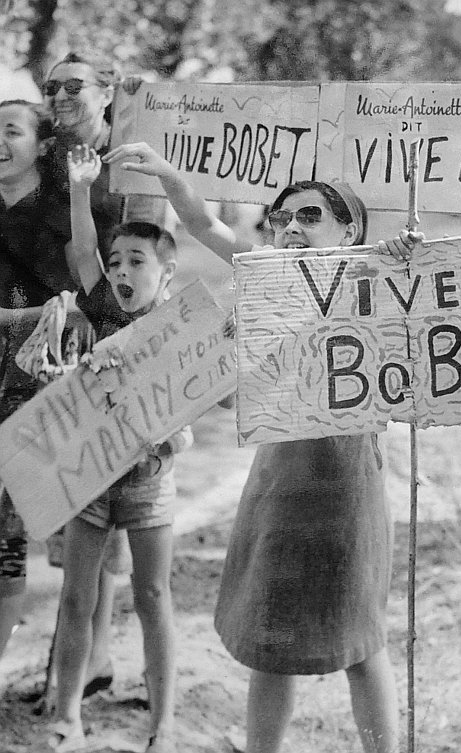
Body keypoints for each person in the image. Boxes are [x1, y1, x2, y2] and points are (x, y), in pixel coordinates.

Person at [104, 140, 403, 753]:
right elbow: (201, 223)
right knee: (269, 635)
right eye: (284, 218)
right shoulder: (264, 271)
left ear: (349, 233)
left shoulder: (375, 279)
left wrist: (404, 263)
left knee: (360, 639)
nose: (292, 228)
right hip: (278, 481)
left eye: (311, 217)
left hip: (348, 482)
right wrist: (167, 173)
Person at [46, 145, 192, 753]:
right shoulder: (104, 309)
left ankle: (165, 721)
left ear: (166, 271)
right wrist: (82, 190)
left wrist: (172, 433)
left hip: (149, 485)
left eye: (137, 259)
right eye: (116, 261)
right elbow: (81, 251)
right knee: (77, 597)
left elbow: (190, 411)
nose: (122, 270)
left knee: (154, 596)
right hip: (90, 480)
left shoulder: (184, 325)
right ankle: (69, 714)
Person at [0, 99, 89, 665]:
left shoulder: (60, 216)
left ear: (40, 144)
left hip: (35, 394)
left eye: (11, 131)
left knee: (19, 542)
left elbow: (85, 301)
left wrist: (23, 322)